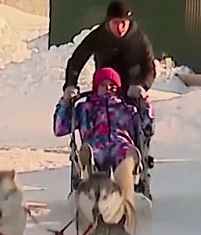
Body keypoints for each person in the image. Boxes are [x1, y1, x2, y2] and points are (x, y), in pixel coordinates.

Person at [53, 67, 144, 201]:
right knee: (89, 152)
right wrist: (65, 102)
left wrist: (144, 99)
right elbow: (60, 129)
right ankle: (87, 170)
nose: (108, 88)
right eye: (103, 85)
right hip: (95, 145)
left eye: (112, 85)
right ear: (96, 87)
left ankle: (131, 171)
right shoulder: (85, 108)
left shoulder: (127, 109)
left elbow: (147, 127)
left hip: (120, 145)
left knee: (127, 154)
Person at [62, 1, 156, 102]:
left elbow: (149, 67)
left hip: (130, 94)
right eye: (115, 23)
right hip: (103, 92)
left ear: (129, 22)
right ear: (108, 22)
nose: (120, 28)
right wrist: (70, 85)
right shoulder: (99, 36)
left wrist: (142, 85)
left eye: (123, 23)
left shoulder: (139, 39)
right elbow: (76, 60)